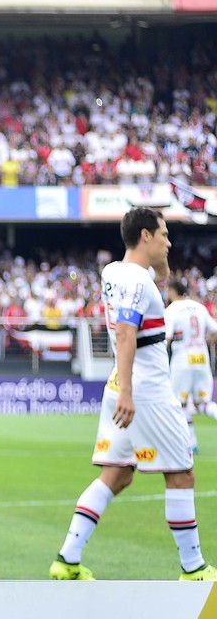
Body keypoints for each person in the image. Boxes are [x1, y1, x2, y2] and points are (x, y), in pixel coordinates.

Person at [51, 208, 217, 581]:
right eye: (163, 235)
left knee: (118, 474)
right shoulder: (138, 283)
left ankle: (67, 558)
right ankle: (193, 568)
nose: (168, 242)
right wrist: (129, 392)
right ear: (145, 236)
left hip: (121, 386)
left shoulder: (115, 272)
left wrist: (161, 269)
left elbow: (148, 289)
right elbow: (126, 333)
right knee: (181, 474)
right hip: (146, 391)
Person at [164, 279, 217, 428]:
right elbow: (215, 330)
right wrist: (203, 341)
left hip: (182, 359)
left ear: (172, 291)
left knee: (178, 403)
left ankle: (188, 443)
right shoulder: (199, 307)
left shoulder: (172, 310)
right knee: (202, 403)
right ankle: (192, 443)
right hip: (201, 358)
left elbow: (166, 338)